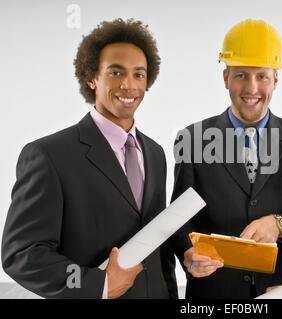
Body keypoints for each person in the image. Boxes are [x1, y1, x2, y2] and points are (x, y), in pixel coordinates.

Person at [1, 18, 177, 299]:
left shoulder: (155, 153)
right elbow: (22, 255)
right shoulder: (49, 155)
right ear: (92, 77)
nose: (129, 85)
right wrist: (99, 285)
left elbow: (157, 246)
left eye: (139, 74)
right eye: (116, 73)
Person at [170, 19, 282, 299]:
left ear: (275, 80)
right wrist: (188, 254)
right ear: (226, 78)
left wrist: (280, 224)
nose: (252, 88)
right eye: (241, 75)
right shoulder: (192, 139)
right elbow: (179, 219)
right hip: (214, 292)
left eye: (261, 76)